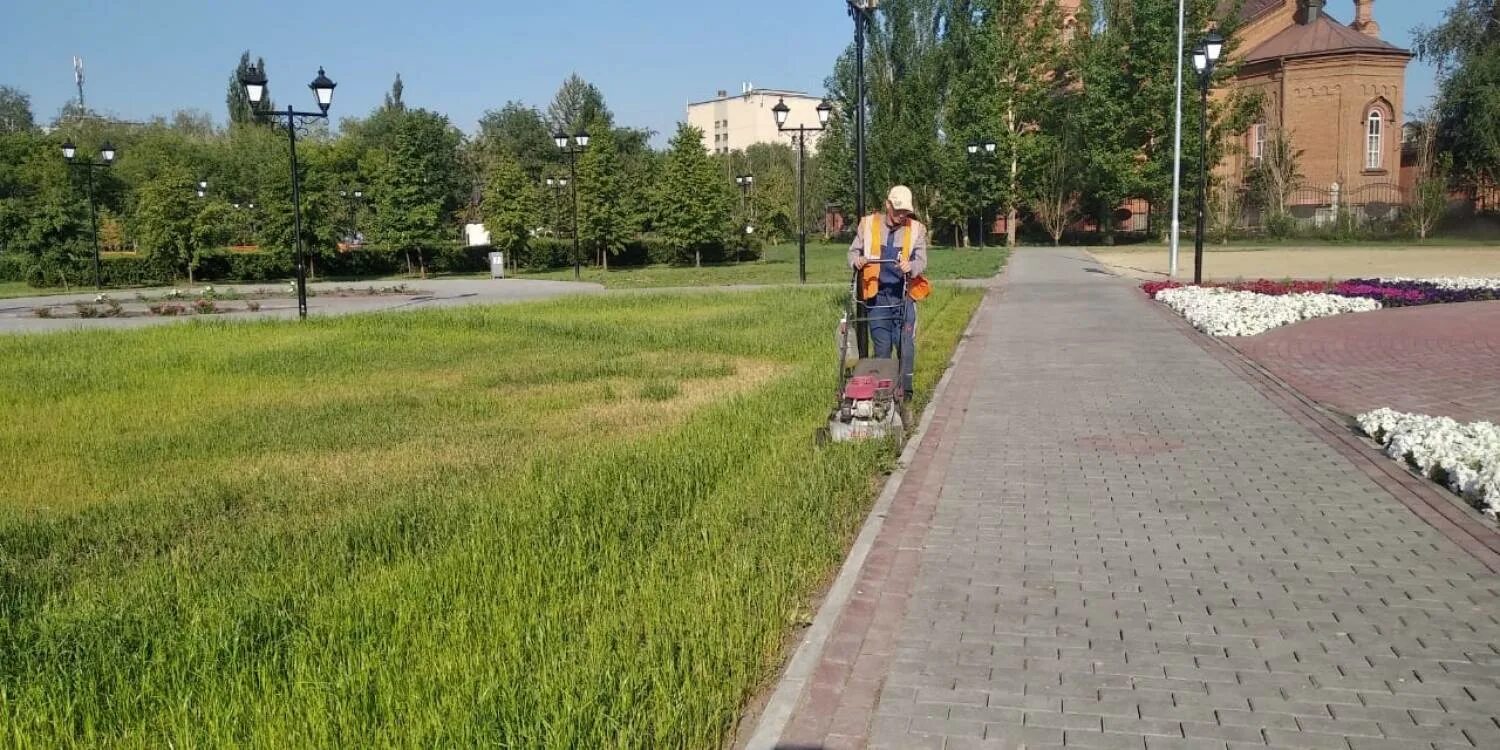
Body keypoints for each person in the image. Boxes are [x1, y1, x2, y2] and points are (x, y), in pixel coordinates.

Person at [848, 185, 929, 396]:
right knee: (882, 347)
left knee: (905, 345)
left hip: (903, 296)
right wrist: (857, 261)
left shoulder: (916, 229)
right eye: (898, 210)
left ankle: (906, 392)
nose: (901, 216)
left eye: (905, 212)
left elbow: (921, 261)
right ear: (888, 205)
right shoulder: (868, 224)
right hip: (877, 297)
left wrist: (911, 267)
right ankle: (884, 394)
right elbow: (852, 252)